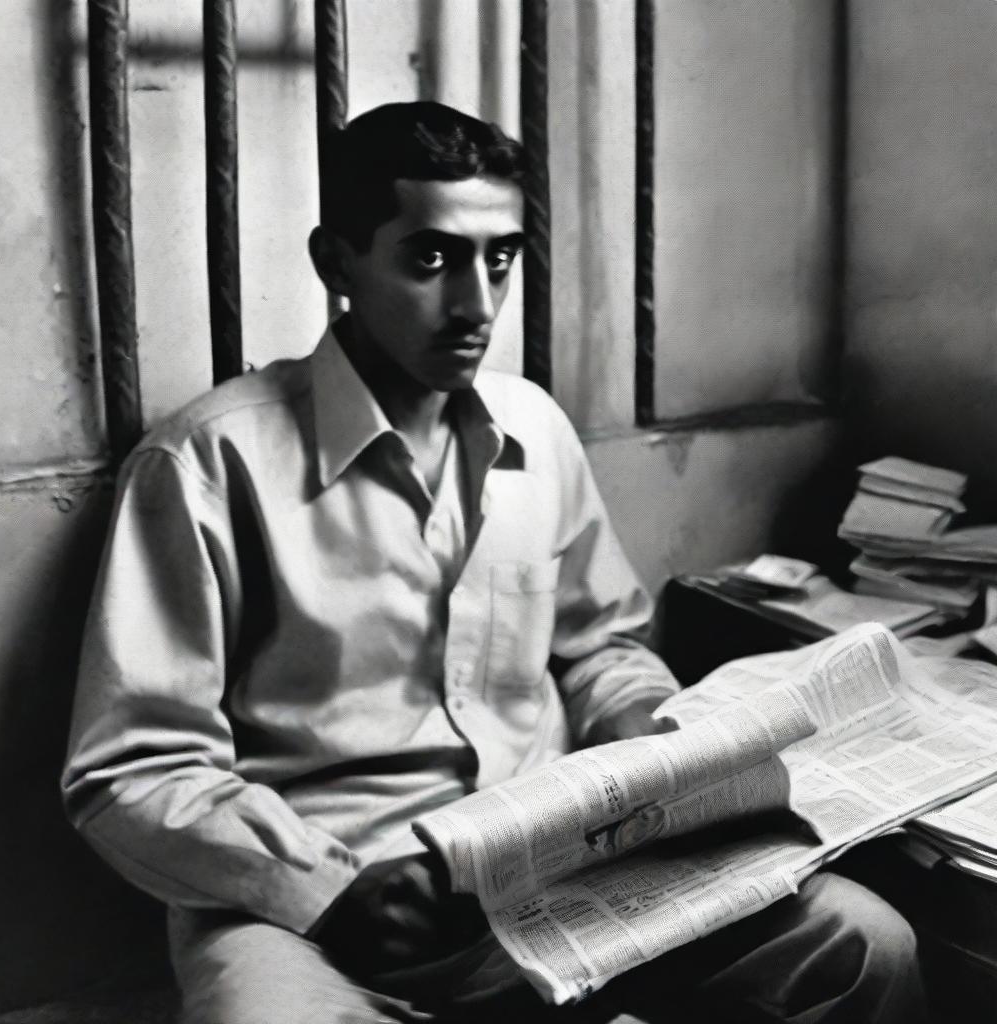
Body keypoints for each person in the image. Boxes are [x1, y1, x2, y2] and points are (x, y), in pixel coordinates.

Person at [62, 101, 927, 1024]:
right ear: (336, 262)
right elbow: (129, 772)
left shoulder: (535, 430)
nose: (476, 302)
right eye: (431, 259)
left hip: (558, 870)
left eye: (501, 258)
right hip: (322, 908)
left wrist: (655, 739)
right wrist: (326, 890)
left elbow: (601, 648)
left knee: (858, 943)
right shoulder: (209, 461)